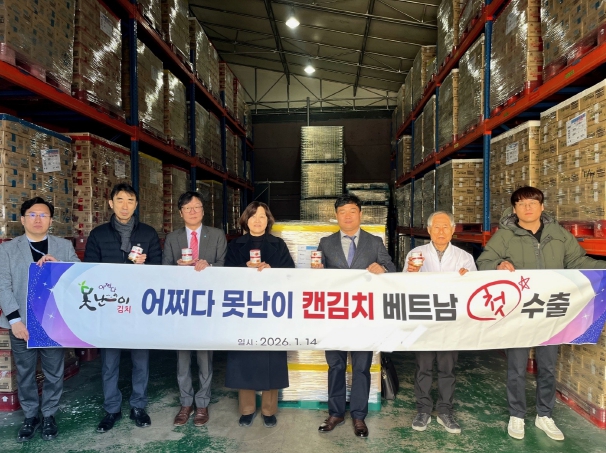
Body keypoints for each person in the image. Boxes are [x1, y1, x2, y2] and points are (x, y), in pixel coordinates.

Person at [477, 186, 606, 441]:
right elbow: (484, 262)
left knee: (547, 366)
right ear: (514, 209)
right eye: (521, 204)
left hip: (549, 312)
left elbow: (578, 262)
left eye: (532, 203)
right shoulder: (505, 236)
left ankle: (544, 415)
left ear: (542, 206)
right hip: (519, 312)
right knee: (516, 366)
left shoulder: (558, 235)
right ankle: (516, 415)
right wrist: (498, 264)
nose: (527, 208)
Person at [313, 194, 396, 438]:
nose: (347, 216)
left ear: (360, 214)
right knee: (335, 365)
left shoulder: (374, 242)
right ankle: (335, 413)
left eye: (352, 211)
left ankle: (359, 416)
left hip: (363, 316)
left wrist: (383, 268)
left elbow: (392, 269)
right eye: (342, 212)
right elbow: (316, 277)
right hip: (334, 315)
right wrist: (316, 270)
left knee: (361, 367)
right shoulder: (326, 243)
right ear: (336, 216)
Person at [0, 197, 80, 442]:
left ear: (51, 220)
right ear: (23, 219)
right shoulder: (8, 249)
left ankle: (48, 415)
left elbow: (78, 275)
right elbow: (3, 285)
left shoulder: (63, 246)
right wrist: (15, 320)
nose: (38, 219)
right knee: (25, 372)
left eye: (43, 215)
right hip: (21, 323)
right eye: (32, 215)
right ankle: (30, 416)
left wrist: (60, 266)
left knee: (53, 371)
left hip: (52, 321)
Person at [84, 183, 162, 433]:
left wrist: (144, 266)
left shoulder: (148, 234)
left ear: (136, 204)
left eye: (130, 200)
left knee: (141, 360)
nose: (125, 206)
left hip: (139, 308)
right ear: (111, 203)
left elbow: (160, 271)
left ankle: (138, 405)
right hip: (109, 307)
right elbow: (89, 270)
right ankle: (111, 409)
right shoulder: (98, 234)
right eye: (120, 200)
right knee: (110, 362)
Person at [404, 211, 476, 435]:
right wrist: (412, 272)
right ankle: (423, 410)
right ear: (429, 230)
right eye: (436, 227)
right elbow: (402, 286)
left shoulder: (464, 257)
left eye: (446, 227)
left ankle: (445, 411)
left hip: (450, 320)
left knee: (447, 368)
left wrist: (467, 277)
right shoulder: (416, 254)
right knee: (423, 367)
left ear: (453, 230)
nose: (441, 231)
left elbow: (474, 289)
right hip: (424, 318)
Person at [224, 201, 294, 428]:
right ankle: (246, 409)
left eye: (262, 216)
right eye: (253, 216)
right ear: (246, 220)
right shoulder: (235, 245)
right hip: (244, 310)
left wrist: (273, 271)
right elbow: (224, 275)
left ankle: (268, 410)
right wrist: (243, 271)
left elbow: (291, 274)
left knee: (271, 357)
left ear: (268, 220)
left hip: (271, 309)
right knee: (244, 356)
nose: (257, 220)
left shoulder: (278, 245)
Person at [162, 191, 227, 427]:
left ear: (203, 210)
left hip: (207, 303)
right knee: (182, 356)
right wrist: (177, 268)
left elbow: (224, 265)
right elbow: (164, 270)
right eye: (187, 208)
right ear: (180, 213)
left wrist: (209, 265)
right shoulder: (173, 238)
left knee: (204, 356)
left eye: (196, 207)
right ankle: (185, 402)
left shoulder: (217, 235)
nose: (192, 211)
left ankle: (202, 403)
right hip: (181, 304)